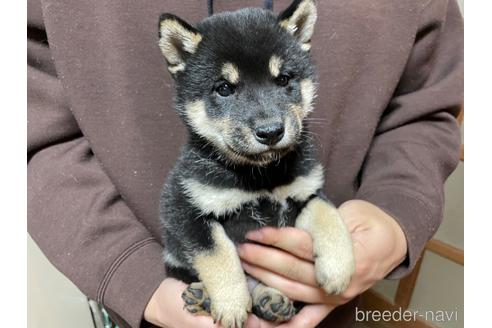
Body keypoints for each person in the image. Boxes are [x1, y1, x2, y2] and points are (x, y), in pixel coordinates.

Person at [27, 0, 463, 327]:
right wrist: (135, 277)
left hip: (337, 314)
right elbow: (27, 127)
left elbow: (427, 105)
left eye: (285, 81)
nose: (269, 120)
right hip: (153, 311)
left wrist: (393, 212)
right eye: (224, 90)